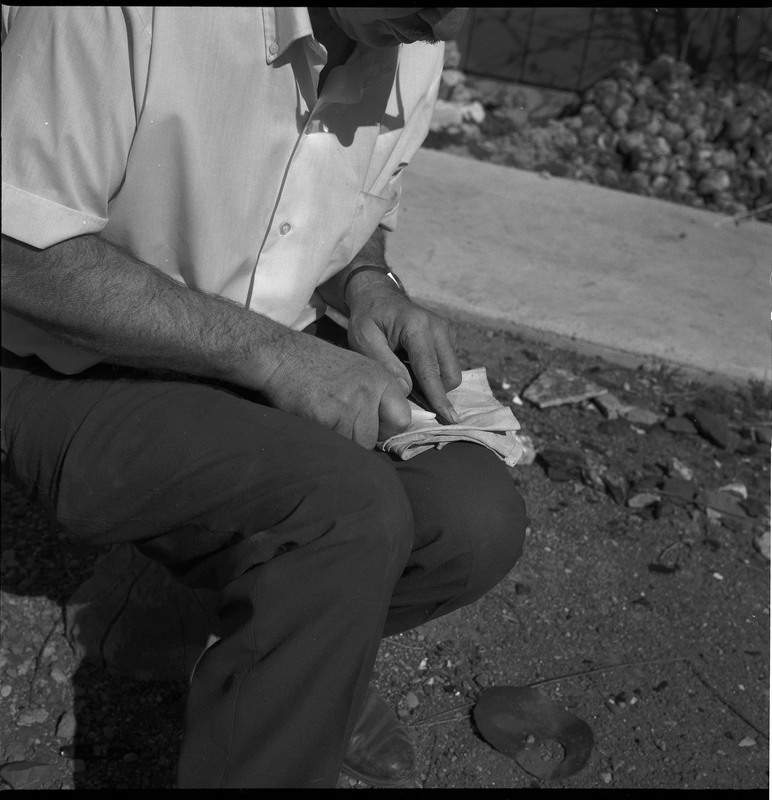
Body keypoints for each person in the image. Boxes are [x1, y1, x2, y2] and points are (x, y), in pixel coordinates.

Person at [0, 7, 527, 788]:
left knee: (472, 520)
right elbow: (17, 253)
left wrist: (367, 282)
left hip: (243, 357)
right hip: (60, 362)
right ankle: (298, 664)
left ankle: (301, 662)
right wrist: (275, 358)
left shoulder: (408, 41)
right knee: (345, 512)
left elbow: (355, 207)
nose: (443, 16)